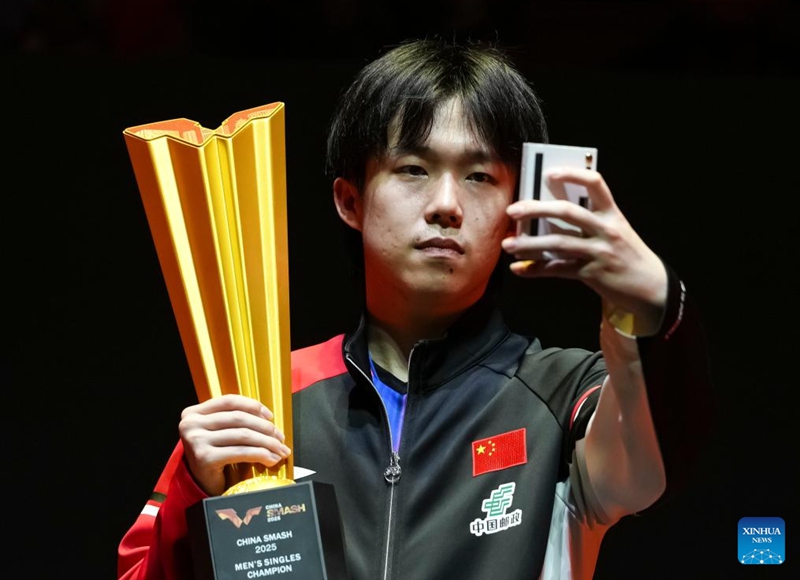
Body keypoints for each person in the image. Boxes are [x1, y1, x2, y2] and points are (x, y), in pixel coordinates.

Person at [118, 38, 714, 580]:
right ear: (350, 199)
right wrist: (194, 493)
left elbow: (643, 471)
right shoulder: (264, 399)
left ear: (517, 208)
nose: (447, 204)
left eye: (480, 175)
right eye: (413, 169)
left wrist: (649, 302)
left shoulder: (561, 396)